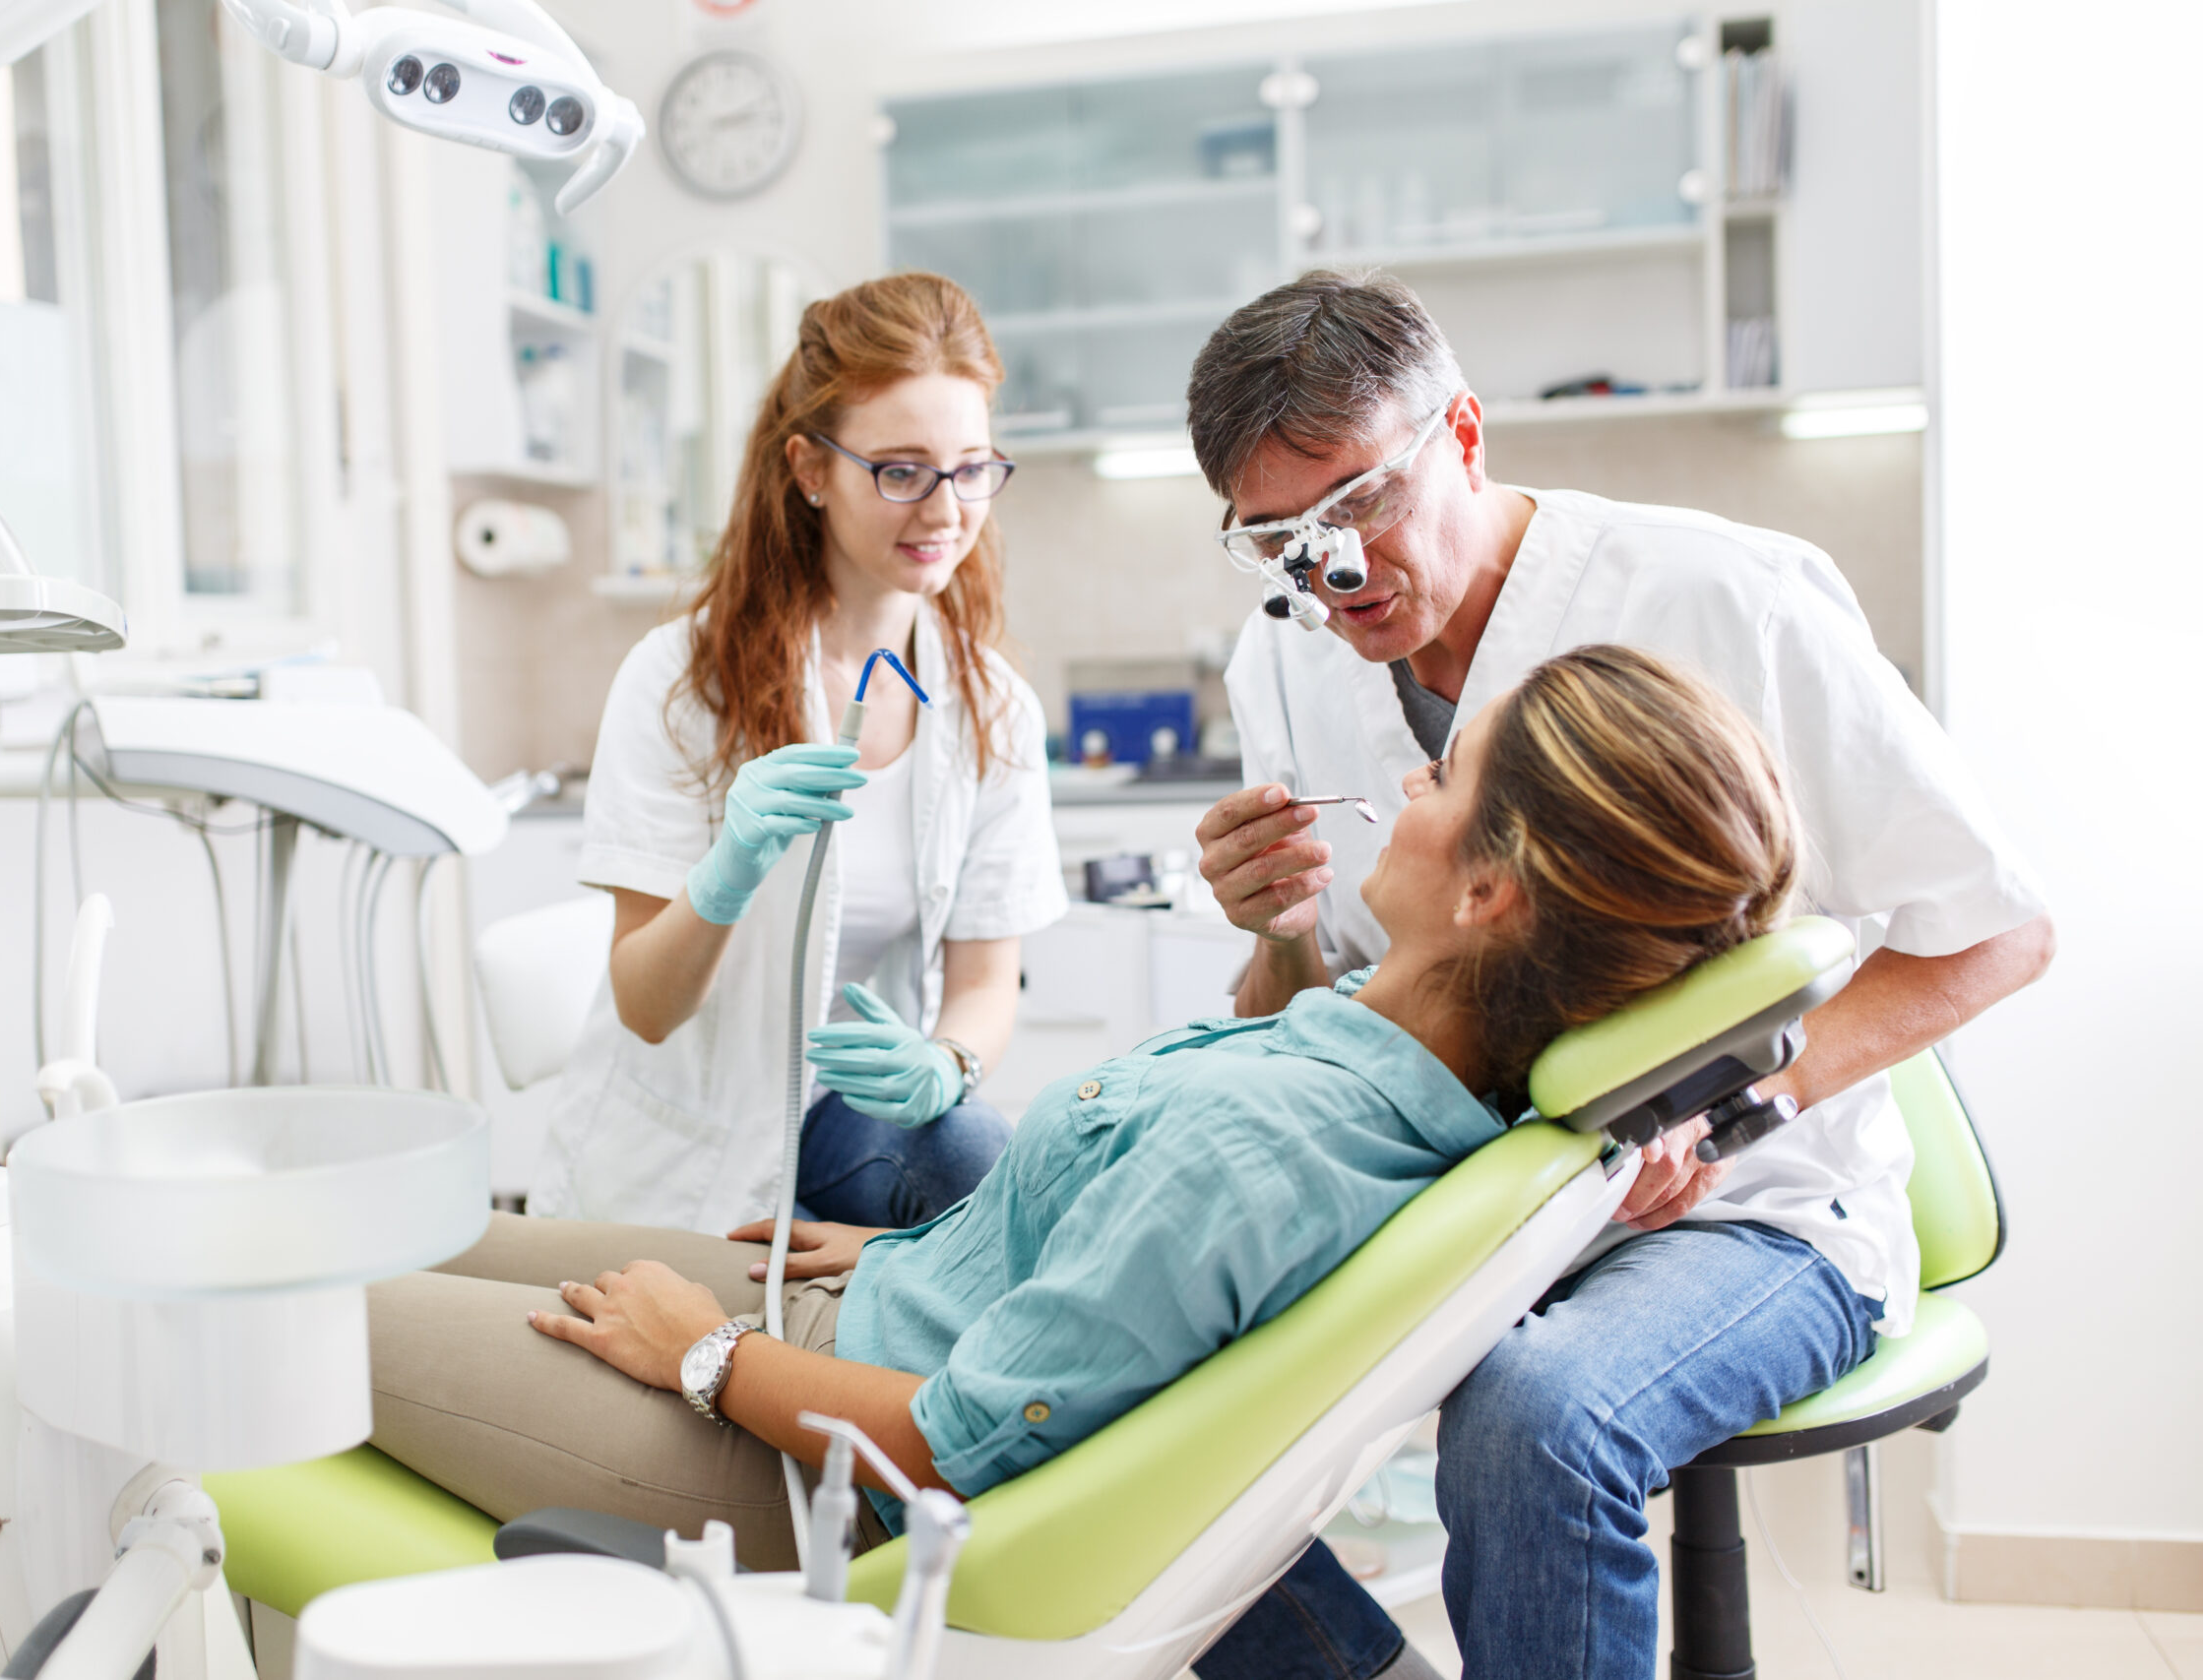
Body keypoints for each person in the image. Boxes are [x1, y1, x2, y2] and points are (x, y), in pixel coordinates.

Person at [366, 648, 1805, 1589]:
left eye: (1439, 776)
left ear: (1490, 891)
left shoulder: (1265, 1149)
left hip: (813, 1457)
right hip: (871, 1314)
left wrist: (706, 1350)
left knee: (301, 1313)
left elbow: (945, 1451)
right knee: (401, 1232)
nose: (1402, 787)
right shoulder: (1382, 1071)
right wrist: (925, 1254)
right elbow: (1113, 1300)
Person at [1183, 271, 2055, 1680]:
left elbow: (1998, 930)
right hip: (1464, 1209)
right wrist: (1274, 926)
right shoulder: (1280, 662)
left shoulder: (1724, 597)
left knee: (1537, 1415)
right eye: (1280, 539)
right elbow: (1315, 1007)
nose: (1331, 571)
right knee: (1136, 1356)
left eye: (1360, 503)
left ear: (1464, 432)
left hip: (1751, 1211)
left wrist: (1732, 1114)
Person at [532, 273, 1067, 1235]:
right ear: (811, 468)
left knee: (980, 1159)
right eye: (900, 471)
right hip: (688, 1146)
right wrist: (725, 875)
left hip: (847, 1128)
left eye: (971, 468)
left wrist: (945, 1062)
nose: (945, 511)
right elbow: (646, 1008)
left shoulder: (992, 708)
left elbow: (986, 984)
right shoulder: (679, 680)